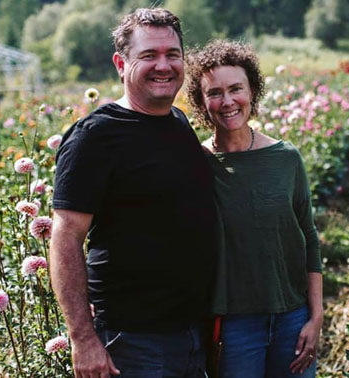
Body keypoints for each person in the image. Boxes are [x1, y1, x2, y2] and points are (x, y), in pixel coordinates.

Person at [50, 8, 217, 378]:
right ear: (120, 64)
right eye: (149, 56)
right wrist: (83, 338)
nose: (164, 65)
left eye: (173, 54)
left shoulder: (179, 122)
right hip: (132, 341)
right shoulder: (95, 136)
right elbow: (66, 236)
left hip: (192, 330)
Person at [185, 40, 323, 378]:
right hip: (233, 326)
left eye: (236, 89)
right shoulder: (195, 164)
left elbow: (309, 236)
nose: (228, 101)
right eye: (215, 92)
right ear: (202, 103)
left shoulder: (285, 158)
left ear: (253, 91)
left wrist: (316, 316)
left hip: (292, 317)